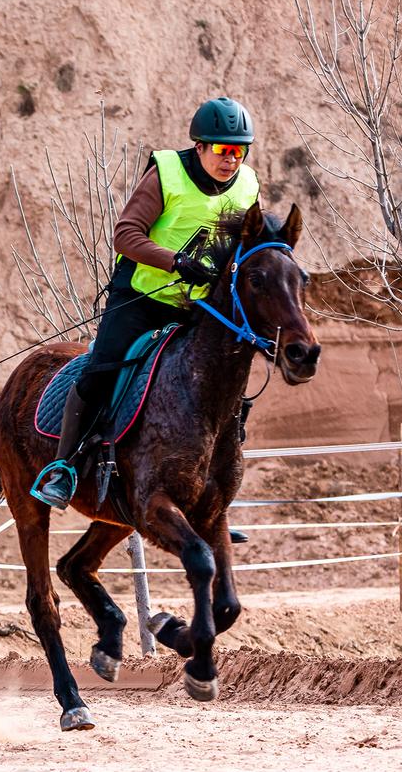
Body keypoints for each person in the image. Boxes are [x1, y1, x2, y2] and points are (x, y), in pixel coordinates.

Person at [31, 96, 261, 509]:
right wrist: (176, 262)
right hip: (141, 295)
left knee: (229, 377)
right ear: (200, 147)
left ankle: (213, 492)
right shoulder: (166, 175)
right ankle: (64, 467)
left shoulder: (248, 185)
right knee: (102, 370)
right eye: (224, 150)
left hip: (196, 304)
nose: (232, 160)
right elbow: (126, 235)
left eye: (240, 151)